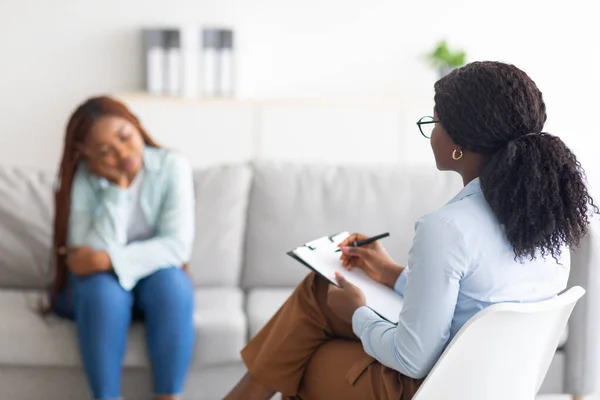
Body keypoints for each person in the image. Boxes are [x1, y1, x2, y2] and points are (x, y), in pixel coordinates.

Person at [224, 61, 597, 400]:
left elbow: (412, 358)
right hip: (488, 387)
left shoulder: (447, 229)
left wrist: (358, 312)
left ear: (459, 146)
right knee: (322, 288)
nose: (432, 133)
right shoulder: (549, 229)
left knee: (302, 356)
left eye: (434, 123)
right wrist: (389, 274)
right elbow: (471, 303)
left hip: (426, 390)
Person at [50, 96, 196, 400]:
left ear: (135, 125)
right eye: (105, 151)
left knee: (173, 284)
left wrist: (106, 260)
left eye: (125, 137)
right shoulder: (84, 180)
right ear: (85, 155)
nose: (122, 153)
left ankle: (169, 396)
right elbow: (82, 258)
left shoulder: (172, 165)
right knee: (104, 294)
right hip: (101, 291)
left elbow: (177, 246)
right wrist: (118, 190)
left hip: (154, 281)